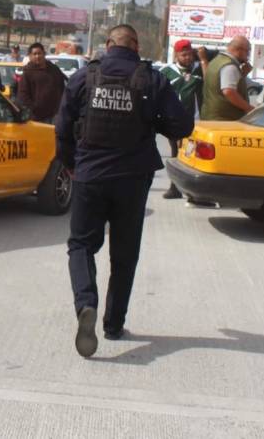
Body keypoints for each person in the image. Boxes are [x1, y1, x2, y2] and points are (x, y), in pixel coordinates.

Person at [56, 25, 193, 357]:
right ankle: (114, 324)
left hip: (90, 174)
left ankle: (86, 304)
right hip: (132, 178)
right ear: (136, 45)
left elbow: (62, 127)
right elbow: (182, 125)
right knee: (125, 253)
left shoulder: (84, 77)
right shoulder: (153, 79)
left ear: (108, 44)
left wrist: (71, 164)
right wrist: (152, 121)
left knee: (81, 245)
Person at [161, 39, 203, 199]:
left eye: (190, 54)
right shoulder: (167, 72)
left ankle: (195, 192)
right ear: (176, 55)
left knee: (193, 156)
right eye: (184, 55)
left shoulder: (199, 70)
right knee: (175, 154)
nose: (187, 57)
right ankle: (174, 188)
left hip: (196, 121)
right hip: (174, 121)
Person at [199, 36, 253, 120]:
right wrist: (249, 108)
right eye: (248, 51)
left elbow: (215, 84)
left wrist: (242, 75)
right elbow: (229, 92)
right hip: (224, 120)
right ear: (239, 50)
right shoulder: (230, 66)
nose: (248, 55)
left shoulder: (216, 61)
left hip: (210, 117)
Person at [17, 42, 65, 123]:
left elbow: (62, 88)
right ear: (30, 56)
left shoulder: (54, 70)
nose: (37, 56)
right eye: (34, 54)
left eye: (39, 53)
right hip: (36, 117)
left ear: (44, 54)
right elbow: (23, 95)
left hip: (55, 115)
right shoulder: (27, 73)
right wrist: (34, 108)